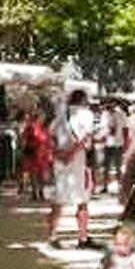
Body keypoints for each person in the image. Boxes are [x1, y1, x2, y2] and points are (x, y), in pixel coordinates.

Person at [47, 88, 95, 248]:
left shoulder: (60, 115)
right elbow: (85, 138)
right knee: (82, 201)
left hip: (60, 162)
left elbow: (50, 136)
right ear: (84, 100)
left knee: (58, 200)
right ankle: (82, 237)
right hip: (77, 162)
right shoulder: (86, 114)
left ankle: (52, 236)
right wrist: (71, 153)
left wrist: (57, 152)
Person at [20, 109, 52, 201]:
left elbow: (48, 141)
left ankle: (40, 192)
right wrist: (23, 149)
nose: (43, 119)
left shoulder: (44, 128)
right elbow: (24, 139)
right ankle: (36, 192)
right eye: (42, 117)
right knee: (34, 173)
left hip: (42, 153)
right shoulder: (31, 127)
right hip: (33, 152)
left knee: (41, 174)